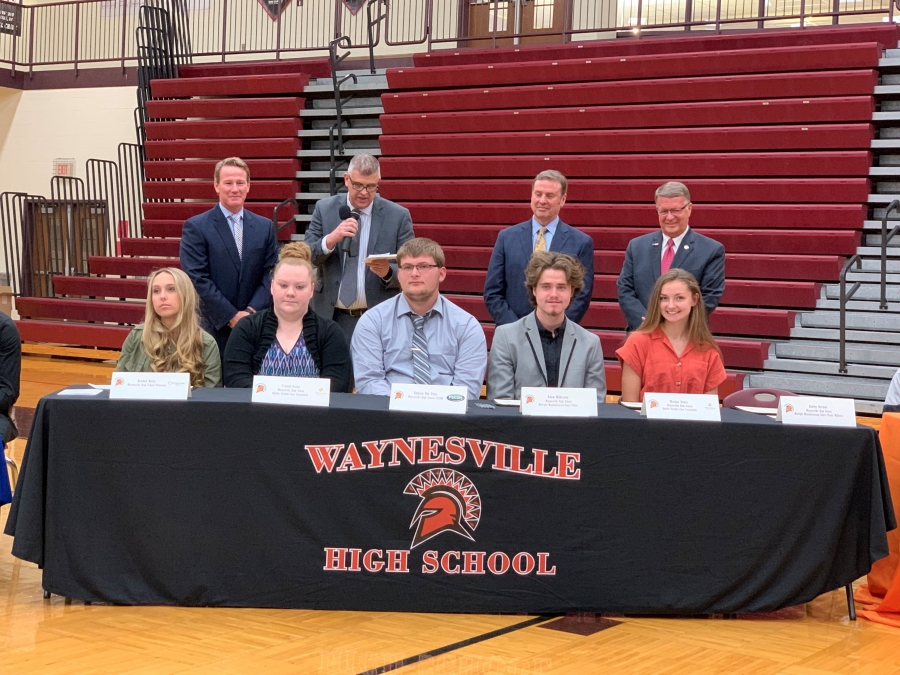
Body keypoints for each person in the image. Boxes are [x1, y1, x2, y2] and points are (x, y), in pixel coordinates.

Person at [351, 238, 487, 400]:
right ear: (399, 274)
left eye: (424, 266)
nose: (414, 273)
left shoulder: (466, 326)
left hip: (447, 420)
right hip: (389, 418)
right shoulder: (373, 322)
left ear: (441, 273)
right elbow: (369, 381)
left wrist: (432, 410)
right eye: (407, 267)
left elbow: (467, 389)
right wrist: (402, 410)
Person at [304, 153, 415, 343]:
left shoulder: (398, 216)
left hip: (376, 318)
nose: (364, 192)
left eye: (371, 186)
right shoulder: (324, 209)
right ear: (346, 179)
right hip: (329, 317)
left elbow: (412, 267)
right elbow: (306, 256)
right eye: (358, 185)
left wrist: (388, 272)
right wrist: (330, 240)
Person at [179, 156, 279, 355]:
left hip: (255, 325)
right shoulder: (196, 227)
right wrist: (231, 315)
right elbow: (197, 278)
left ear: (248, 186)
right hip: (212, 327)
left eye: (240, 183)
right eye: (228, 183)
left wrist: (250, 312)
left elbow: (272, 273)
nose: (235, 189)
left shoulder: (265, 226)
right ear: (216, 186)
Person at [223, 242, 351, 392]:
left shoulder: (330, 332)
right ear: (271, 287)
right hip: (257, 414)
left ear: (312, 289)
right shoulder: (246, 328)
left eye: (299, 287)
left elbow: (337, 385)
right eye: (283, 285)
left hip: (314, 415)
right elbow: (235, 379)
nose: (290, 292)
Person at [487, 252, 606, 402]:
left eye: (561, 287)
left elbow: (596, 406)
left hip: (574, 426)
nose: (554, 294)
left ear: (572, 291)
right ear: (534, 290)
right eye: (546, 287)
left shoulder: (591, 343)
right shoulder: (505, 337)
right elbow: (500, 403)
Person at [484, 170, 594, 325]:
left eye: (549, 196)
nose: (542, 200)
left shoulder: (581, 242)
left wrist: (554, 327)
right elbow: (493, 292)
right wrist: (516, 330)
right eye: (538, 194)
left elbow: (582, 295)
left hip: (558, 336)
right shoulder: (506, 238)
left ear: (562, 200)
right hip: (512, 337)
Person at [617, 181, 725, 331]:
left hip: (686, 336)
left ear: (689, 208)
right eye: (664, 211)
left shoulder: (711, 250)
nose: (669, 217)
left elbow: (709, 296)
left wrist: (672, 323)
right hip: (642, 333)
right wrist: (648, 322)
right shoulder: (637, 246)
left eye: (675, 210)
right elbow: (625, 289)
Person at [616, 269, 726, 402]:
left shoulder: (709, 350)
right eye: (664, 298)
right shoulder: (637, 342)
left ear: (694, 300)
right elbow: (630, 406)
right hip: (646, 422)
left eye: (679, 298)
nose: (671, 305)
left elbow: (709, 410)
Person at [116, 268, 222, 387]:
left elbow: (212, 399)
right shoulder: (136, 336)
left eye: (171, 289)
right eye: (156, 291)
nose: (162, 296)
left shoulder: (206, 344)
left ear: (185, 295)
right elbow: (118, 386)